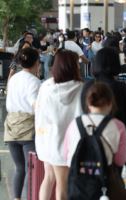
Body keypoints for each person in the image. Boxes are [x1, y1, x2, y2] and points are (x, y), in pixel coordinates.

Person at [35, 50, 83, 200]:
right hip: (66, 144)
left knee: (48, 178)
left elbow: (39, 111)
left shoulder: (46, 87)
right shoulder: (81, 88)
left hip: (47, 139)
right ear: (72, 66)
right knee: (63, 185)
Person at [64, 82, 126, 170]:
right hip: (105, 180)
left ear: (88, 103)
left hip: (76, 180)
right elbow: (120, 161)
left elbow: (66, 156)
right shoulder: (118, 126)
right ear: (110, 103)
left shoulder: (74, 124)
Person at [4, 48, 41, 200]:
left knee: (20, 168)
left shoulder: (13, 79)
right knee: (29, 169)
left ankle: (16, 198)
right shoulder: (35, 82)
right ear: (37, 63)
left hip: (11, 127)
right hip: (28, 129)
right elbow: (35, 105)